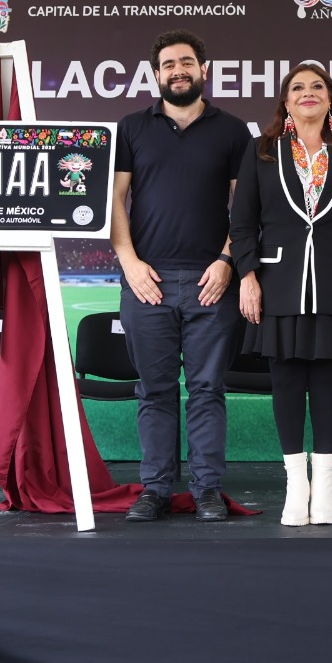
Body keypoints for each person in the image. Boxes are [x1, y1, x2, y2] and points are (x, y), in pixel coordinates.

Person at [231, 63, 332, 526]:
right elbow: (242, 223)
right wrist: (247, 275)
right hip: (279, 282)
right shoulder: (261, 151)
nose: (307, 93)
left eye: (317, 86)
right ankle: (295, 485)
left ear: (330, 98)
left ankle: (325, 484)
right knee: (285, 381)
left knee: (327, 382)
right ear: (286, 101)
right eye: (297, 87)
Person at [110, 30, 250, 522]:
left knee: (208, 390)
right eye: (168, 64)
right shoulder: (131, 127)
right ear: (156, 74)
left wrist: (227, 261)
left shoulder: (232, 131)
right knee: (154, 391)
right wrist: (129, 263)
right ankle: (155, 489)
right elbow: (114, 201)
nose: (178, 71)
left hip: (211, 282)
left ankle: (207, 489)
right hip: (146, 281)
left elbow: (245, 208)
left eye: (187, 62)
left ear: (203, 69)